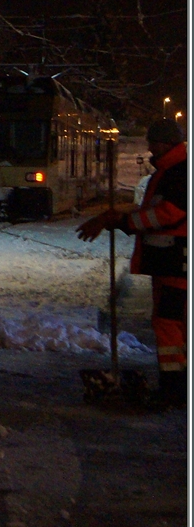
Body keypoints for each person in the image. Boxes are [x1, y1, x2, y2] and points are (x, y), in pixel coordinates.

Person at [78, 117, 188, 407]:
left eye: (153, 141)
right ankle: (178, 387)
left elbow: (168, 213)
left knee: (169, 325)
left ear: (165, 143)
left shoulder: (179, 172)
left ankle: (174, 390)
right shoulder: (170, 170)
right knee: (175, 325)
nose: (150, 147)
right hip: (171, 262)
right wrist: (118, 218)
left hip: (177, 262)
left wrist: (125, 222)